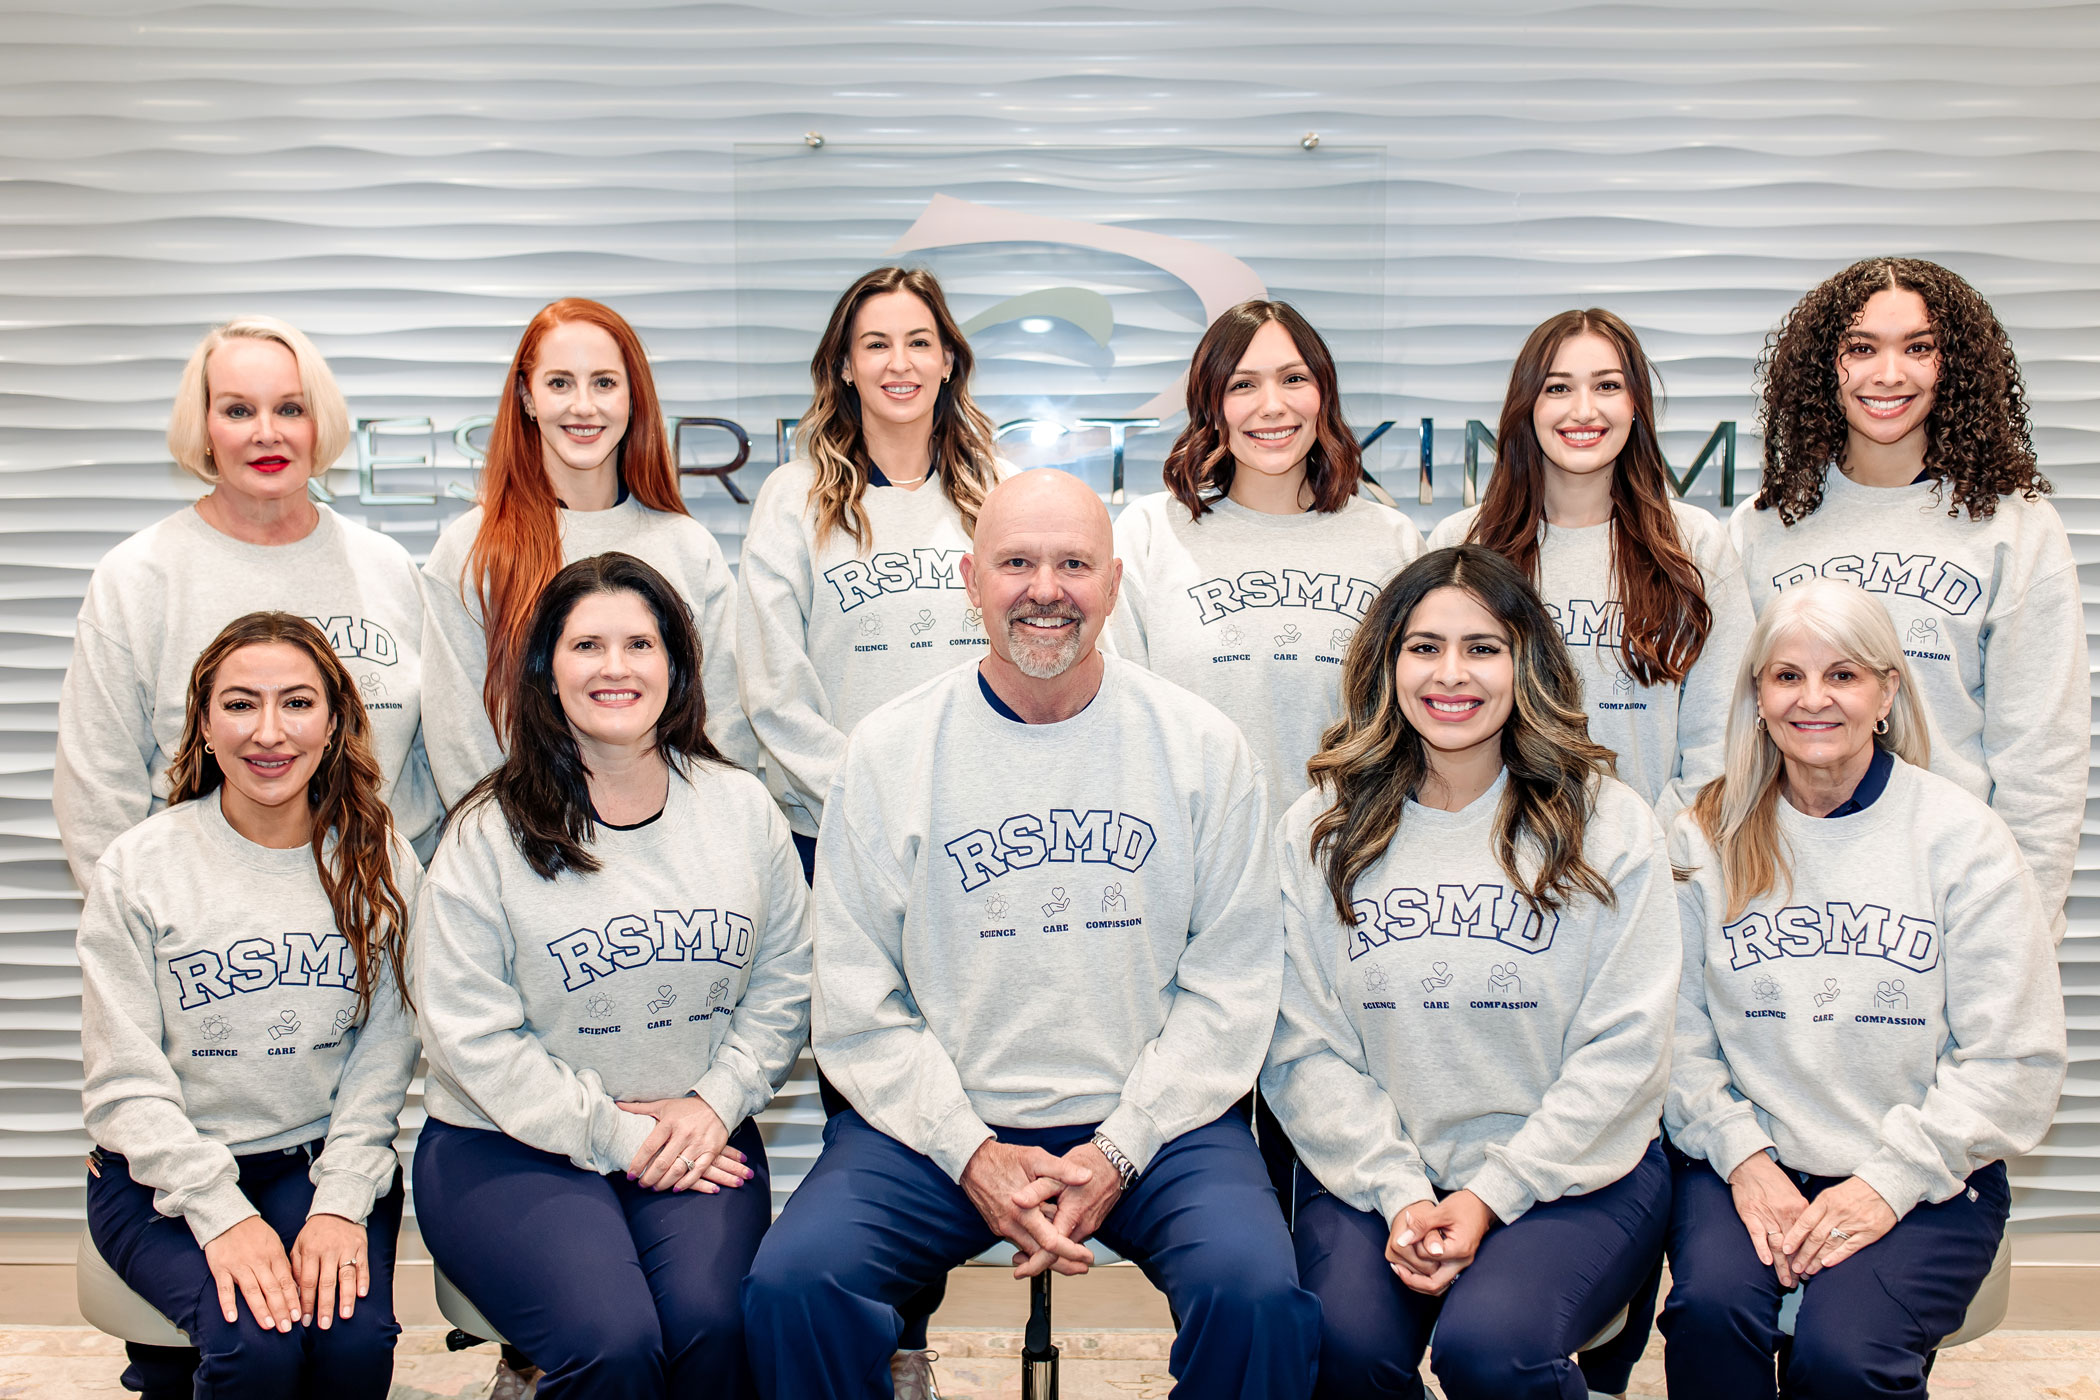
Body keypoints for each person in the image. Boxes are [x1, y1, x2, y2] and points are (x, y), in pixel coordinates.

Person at [742, 469, 1319, 1400]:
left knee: (1257, 1297)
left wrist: (1123, 1145)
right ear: (970, 580)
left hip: (1157, 1121)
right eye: (1016, 562)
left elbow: (1233, 985)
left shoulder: (1204, 749)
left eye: (1073, 564)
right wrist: (969, 1150)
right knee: (794, 1286)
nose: (1045, 589)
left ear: (1115, 585)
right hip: (940, 1121)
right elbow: (855, 1001)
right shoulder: (887, 755)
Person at [1262, 544, 1679, 1400]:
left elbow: (1626, 1049)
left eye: (1482, 647)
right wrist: (1399, 1189)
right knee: (1338, 1348)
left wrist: (1492, 1194)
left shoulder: (1609, 827)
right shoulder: (1319, 829)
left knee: (1491, 1352)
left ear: (1527, 661)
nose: (1452, 674)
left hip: (1571, 1172)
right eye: (1425, 647)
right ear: (1388, 662)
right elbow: (1303, 1048)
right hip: (1377, 1172)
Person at [412, 553, 808, 1400]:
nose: (616, 667)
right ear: (547, 672)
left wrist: (716, 1102)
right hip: (507, 1145)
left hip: (696, 1133)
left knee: (714, 1325)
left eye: (640, 643)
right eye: (587, 645)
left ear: (677, 665)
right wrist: (620, 1138)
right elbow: (468, 1035)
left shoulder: (742, 810)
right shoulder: (486, 832)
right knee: (613, 1341)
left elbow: (785, 983)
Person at [1661, 577, 2066, 1399]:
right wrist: (1744, 1159)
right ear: (1758, 695)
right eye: (1788, 676)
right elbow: (1674, 1033)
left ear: (1887, 691)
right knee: (1709, 1314)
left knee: (1843, 1355)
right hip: (1750, 1159)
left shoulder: (1961, 839)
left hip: (1925, 1174)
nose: (1814, 700)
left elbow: (2014, 1061)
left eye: (1843, 675)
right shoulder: (1704, 833)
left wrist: (1886, 1184)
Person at [79, 612, 421, 1400]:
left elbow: (384, 1061)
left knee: (352, 1343)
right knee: (258, 1346)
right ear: (202, 723)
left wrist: (339, 1204)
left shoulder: (382, 863)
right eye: (239, 704)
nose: (269, 732)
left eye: (297, 703)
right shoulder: (141, 867)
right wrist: (221, 1216)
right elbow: (123, 1084)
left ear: (336, 722)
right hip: (160, 1176)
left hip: (317, 1161)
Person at [1731, 257, 2086, 939]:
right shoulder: (1763, 527)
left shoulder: (2012, 525)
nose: (1888, 374)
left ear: (1952, 366)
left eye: (1918, 347)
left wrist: (2021, 927)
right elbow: (1738, 727)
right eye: (1860, 348)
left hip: (1958, 889)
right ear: (1821, 369)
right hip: (1787, 892)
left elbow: (2043, 753)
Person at [55, 316, 440, 887]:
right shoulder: (138, 577)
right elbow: (97, 792)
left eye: (290, 408)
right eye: (238, 411)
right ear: (204, 428)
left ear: (320, 424)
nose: (267, 432)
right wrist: (140, 927)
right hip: (203, 936)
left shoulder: (387, 569)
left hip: (376, 922)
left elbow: (435, 770)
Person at [421, 298, 754, 808]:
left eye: (604, 382)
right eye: (559, 383)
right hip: (531, 855)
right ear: (527, 399)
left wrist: (687, 835)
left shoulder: (687, 547)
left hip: (675, 856)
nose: (583, 406)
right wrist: (527, 845)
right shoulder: (471, 551)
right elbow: (459, 738)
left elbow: (724, 720)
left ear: (632, 397)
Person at [736, 265, 1006, 881]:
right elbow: (773, 691)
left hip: (985, 828)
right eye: (876, 345)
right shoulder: (793, 498)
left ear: (947, 362)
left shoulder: (1003, 493)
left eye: (918, 342)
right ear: (845, 367)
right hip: (836, 829)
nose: (899, 363)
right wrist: (873, 798)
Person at [1429, 308, 1752, 819]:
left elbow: (1723, 735)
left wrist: (1659, 852)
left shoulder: (1693, 545)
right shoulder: (1464, 543)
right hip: (1496, 867)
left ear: (1635, 404)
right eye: (1558, 388)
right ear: (1526, 405)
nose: (1583, 411)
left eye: (1606, 386)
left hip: (1653, 868)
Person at [1110, 299, 1422, 817]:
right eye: (1242, 384)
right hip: (1198, 860)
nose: (1272, 405)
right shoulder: (1150, 534)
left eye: (1293, 379)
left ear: (1324, 393)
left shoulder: (1391, 541)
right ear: (1211, 403)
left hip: (1350, 860)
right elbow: (1124, 718)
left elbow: (1413, 728)